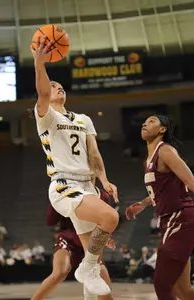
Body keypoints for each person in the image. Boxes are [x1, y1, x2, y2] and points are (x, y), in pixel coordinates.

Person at [31, 36, 120, 295]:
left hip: (87, 185)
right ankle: (86, 268)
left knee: (97, 270)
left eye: (60, 85)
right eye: (53, 85)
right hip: (64, 185)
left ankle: (88, 271)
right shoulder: (46, 117)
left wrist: (104, 181)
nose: (57, 88)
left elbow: (94, 154)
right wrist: (40, 64)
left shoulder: (83, 119)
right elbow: (43, 91)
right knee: (111, 217)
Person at [125, 115, 194, 300]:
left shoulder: (166, 151)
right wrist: (143, 204)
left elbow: (191, 181)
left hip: (181, 219)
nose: (145, 123)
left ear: (162, 129)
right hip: (170, 221)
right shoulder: (148, 160)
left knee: (162, 285)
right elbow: (160, 191)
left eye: (151, 121)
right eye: (144, 121)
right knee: (182, 290)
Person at [32, 186, 115, 300]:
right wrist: (57, 199)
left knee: (104, 289)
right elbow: (50, 220)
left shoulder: (103, 196)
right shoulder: (66, 192)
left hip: (91, 243)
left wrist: (107, 238)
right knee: (60, 272)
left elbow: (106, 223)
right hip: (68, 238)